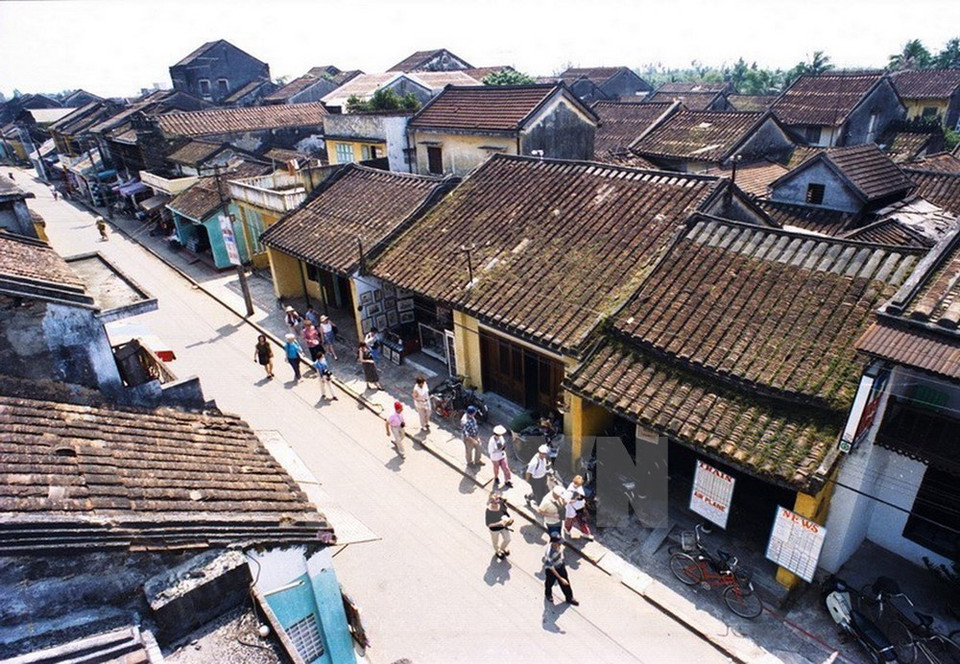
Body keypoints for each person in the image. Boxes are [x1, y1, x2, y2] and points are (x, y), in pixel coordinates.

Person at [542, 534, 578, 605]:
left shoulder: (557, 546)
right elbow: (551, 568)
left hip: (560, 566)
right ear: (554, 543)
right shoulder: (549, 554)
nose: (560, 544)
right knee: (549, 583)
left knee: (566, 583)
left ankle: (569, 598)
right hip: (551, 570)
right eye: (559, 543)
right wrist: (561, 579)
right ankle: (548, 594)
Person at [485, 492, 513, 560]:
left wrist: (509, 519)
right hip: (494, 529)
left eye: (497, 501)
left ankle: (503, 548)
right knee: (495, 542)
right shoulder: (489, 511)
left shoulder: (501, 504)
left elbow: (506, 510)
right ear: (490, 502)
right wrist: (499, 523)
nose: (496, 504)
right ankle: (498, 551)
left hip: (503, 527)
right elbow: (488, 524)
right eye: (494, 502)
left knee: (508, 539)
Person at [564, 475, 593, 540]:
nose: (579, 486)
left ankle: (586, 533)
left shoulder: (578, 487)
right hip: (572, 509)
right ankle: (567, 529)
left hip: (580, 508)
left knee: (582, 521)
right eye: (578, 484)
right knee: (569, 521)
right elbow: (566, 501)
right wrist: (575, 499)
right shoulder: (570, 492)